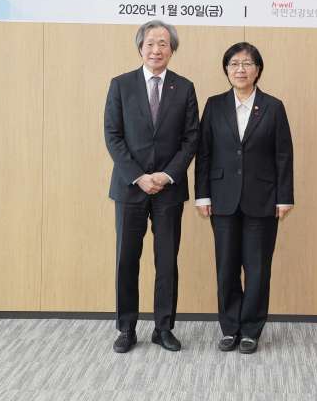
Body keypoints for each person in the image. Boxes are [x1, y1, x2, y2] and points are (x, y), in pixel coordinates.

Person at [104, 20, 199, 353]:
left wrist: (166, 175)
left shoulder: (184, 88)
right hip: (130, 188)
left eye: (163, 44)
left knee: (167, 261)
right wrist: (139, 176)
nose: (156, 50)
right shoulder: (121, 85)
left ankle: (163, 328)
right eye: (150, 43)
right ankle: (126, 328)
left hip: (169, 190)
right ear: (140, 48)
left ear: (172, 50)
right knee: (126, 260)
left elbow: (191, 138)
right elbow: (113, 135)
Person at [194, 42, 293, 354]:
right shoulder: (214, 105)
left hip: (263, 199)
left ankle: (250, 330)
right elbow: (204, 153)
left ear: (258, 70)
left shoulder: (273, 107)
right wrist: (201, 195)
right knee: (226, 267)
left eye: (247, 64)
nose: (240, 69)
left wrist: (284, 197)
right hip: (222, 198)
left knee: (257, 268)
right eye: (234, 64)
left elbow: (283, 154)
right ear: (226, 69)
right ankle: (230, 328)